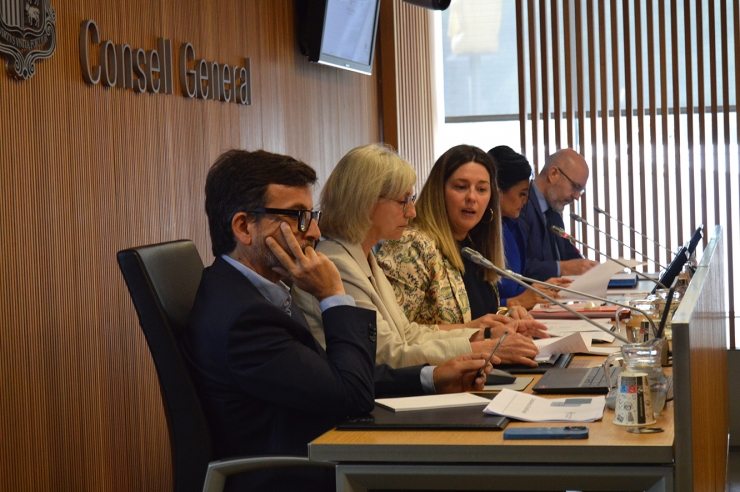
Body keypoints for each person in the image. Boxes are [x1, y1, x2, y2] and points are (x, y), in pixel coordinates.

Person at [181, 149, 494, 492]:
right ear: (243, 227)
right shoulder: (244, 319)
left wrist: (431, 378)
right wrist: (332, 295)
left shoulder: (255, 291)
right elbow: (350, 394)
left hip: (325, 451)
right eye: (298, 217)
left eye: (311, 215)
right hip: (297, 475)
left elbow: (332, 378)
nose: (314, 231)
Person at [294, 144, 545, 369]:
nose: (412, 211)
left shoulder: (362, 255)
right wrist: (479, 348)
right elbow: (384, 354)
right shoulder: (337, 264)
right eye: (404, 201)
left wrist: (482, 335)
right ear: (366, 201)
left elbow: (407, 334)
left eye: (482, 189)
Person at [377, 144, 544, 368]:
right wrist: (481, 333)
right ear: (439, 192)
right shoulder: (411, 246)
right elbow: (398, 337)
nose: (472, 197)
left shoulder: (473, 246)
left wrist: (507, 317)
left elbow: (475, 314)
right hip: (437, 381)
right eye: (461, 187)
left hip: (482, 371)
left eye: (482, 189)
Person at [487, 145, 572, 309]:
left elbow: (514, 283)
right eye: (522, 194)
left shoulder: (511, 225)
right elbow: (476, 302)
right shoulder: (480, 233)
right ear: (498, 192)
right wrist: (514, 301)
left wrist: (538, 288)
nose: (525, 201)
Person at [518, 148, 599, 280]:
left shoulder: (553, 211)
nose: (577, 196)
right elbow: (517, 267)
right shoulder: (521, 206)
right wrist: (562, 268)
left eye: (581, 190)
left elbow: (567, 252)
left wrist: (597, 271)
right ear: (553, 174)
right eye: (575, 186)